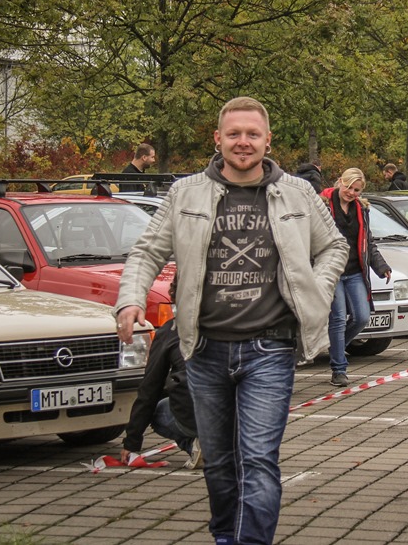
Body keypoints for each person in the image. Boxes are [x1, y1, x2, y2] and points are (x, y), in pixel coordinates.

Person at [115, 97, 348, 545]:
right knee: (219, 461)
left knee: (258, 459)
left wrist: (316, 290)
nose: (244, 142)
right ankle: (226, 536)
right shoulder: (186, 193)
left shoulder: (297, 193)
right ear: (218, 138)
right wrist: (130, 300)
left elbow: (334, 246)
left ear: (267, 140)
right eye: (235, 134)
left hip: (270, 349)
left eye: (253, 134)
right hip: (203, 350)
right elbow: (146, 252)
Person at [321, 168, 392, 387]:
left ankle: (334, 346)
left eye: (356, 190)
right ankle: (338, 369)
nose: (351, 192)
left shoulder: (362, 210)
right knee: (338, 317)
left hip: (354, 271)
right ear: (340, 181)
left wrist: (381, 267)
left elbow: (367, 243)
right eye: (348, 187)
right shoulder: (321, 205)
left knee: (362, 316)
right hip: (332, 271)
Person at [121, 301, 201, 468]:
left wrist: (132, 442)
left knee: (158, 411)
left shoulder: (171, 330)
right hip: (240, 410)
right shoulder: (234, 322)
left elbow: (150, 388)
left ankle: (197, 446)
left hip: (195, 410)